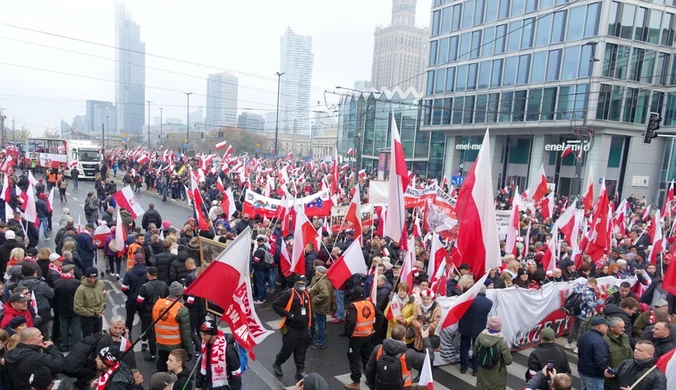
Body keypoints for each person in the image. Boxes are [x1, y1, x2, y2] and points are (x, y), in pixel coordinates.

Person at [364, 324, 435, 389]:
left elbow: (369, 370)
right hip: (402, 387)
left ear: (391, 335)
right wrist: (425, 338)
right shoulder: (408, 354)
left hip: (381, 386)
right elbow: (430, 357)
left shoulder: (378, 349)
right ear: (403, 338)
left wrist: (372, 387)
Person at [272, 275, 313, 380]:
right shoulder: (288, 294)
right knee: (287, 350)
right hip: (292, 328)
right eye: (301, 283)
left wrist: (312, 327)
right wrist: (288, 315)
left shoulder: (306, 294)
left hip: (304, 329)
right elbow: (276, 305)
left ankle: (300, 371)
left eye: (304, 283)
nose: (303, 285)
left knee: (301, 351)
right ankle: (277, 363)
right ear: (296, 284)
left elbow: (309, 310)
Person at [344, 286, 384, 390]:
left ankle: (356, 382)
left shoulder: (353, 306)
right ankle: (370, 380)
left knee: (354, 359)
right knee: (367, 359)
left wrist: (349, 333)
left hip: (356, 337)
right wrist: (375, 328)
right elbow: (380, 316)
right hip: (368, 336)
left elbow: (352, 321)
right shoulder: (370, 303)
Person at [152, 281, 194, 371]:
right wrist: (189, 351)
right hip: (175, 345)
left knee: (162, 364)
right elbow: (185, 334)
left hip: (161, 342)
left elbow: (153, 325)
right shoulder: (181, 310)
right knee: (177, 368)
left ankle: (160, 382)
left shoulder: (158, 304)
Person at [196, 320, 242, 390]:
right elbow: (201, 364)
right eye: (201, 334)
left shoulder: (228, 348)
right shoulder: (204, 344)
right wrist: (199, 384)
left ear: (213, 334)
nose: (202, 337)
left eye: (204, 335)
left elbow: (236, 373)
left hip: (223, 386)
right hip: (208, 383)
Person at [458, 284, 493, 375]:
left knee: (464, 348)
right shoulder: (489, 302)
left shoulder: (468, 300)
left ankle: (463, 367)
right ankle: (475, 369)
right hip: (479, 328)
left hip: (465, 327)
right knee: (477, 349)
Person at [137, 266, 169, 361]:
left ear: (148, 274)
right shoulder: (164, 285)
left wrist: (142, 311)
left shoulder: (144, 287)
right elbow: (167, 298)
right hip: (161, 313)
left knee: (150, 334)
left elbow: (139, 301)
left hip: (148, 314)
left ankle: (153, 354)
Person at [565, 277, 603, 353]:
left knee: (574, 326)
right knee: (581, 330)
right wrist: (599, 301)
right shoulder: (589, 292)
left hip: (577, 311)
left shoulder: (580, 288)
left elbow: (574, 286)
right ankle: (578, 347)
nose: (595, 287)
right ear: (592, 284)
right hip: (584, 314)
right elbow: (590, 304)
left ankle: (569, 342)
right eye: (595, 285)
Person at [474, 317, 512, 390]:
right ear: (499, 327)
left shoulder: (481, 336)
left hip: (482, 370)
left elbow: (475, 352)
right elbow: (508, 361)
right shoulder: (502, 342)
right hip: (497, 373)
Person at [53, 264, 81, 352]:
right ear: (71, 271)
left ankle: (64, 344)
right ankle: (75, 346)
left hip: (62, 308)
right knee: (75, 327)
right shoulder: (76, 282)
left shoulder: (56, 282)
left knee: (63, 327)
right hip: (74, 308)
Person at [577, 317, 610, 390]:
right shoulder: (599, 341)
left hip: (583, 371)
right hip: (593, 375)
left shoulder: (584, 336)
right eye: (606, 326)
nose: (608, 328)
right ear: (600, 327)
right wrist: (604, 371)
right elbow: (601, 360)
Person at [121, 253, 147, 339]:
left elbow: (124, 288)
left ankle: (127, 336)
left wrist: (130, 293)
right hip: (144, 300)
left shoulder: (129, 273)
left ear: (135, 261)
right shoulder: (147, 272)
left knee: (129, 319)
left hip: (132, 300)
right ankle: (144, 339)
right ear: (143, 260)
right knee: (145, 320)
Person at [74, 267, 105, 337]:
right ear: (86, 277)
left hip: (98, 316)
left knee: (98, 337)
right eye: (90, 278)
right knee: (87, 338)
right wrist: (93, 314)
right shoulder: (81, 289)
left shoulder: (101, 284)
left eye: (94, 278)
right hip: (87, 319)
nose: (92, 280)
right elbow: (77, 308)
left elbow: (104, 295)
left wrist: (103, 307)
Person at [603, 316, 632, 388]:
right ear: (612, 327)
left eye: (624, 327)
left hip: (622, 378)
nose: (624, 329)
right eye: (621, 327)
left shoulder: (625, 337)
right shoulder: (604, 339)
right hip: (609, 379)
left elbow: (630, 353)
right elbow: (602, 359)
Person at [308, 265, 332, 350]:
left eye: (316, 271)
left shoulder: (322, 282)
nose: (315, 272)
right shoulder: (321, 280)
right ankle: (322, 335)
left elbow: (325, 294)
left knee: (319, 325)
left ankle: (320, 342)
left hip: (320, 306)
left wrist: (314, 299)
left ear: (318, 273)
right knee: (322, 322)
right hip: (322, 306)